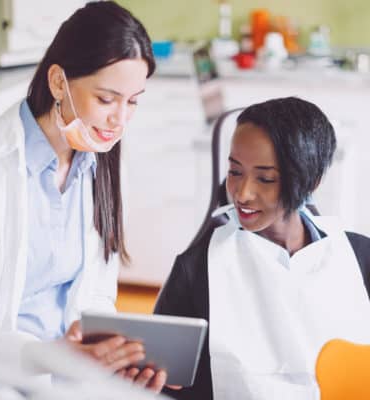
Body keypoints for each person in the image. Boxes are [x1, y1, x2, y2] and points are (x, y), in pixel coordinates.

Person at [0, 1, 166, 394]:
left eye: (133, 101)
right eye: (108, 99)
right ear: (59, 82)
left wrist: (115, 358)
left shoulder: (98, 165)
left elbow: (96, 294)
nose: (120, 120)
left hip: (74, 374)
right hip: (2, 376)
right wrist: (55, 358)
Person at [155, 97, 370, 400]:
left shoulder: (360, 260)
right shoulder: (198, 269)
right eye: (235, 172)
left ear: (313, 181)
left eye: (265, 178)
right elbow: (165, 385)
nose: (243, 194)